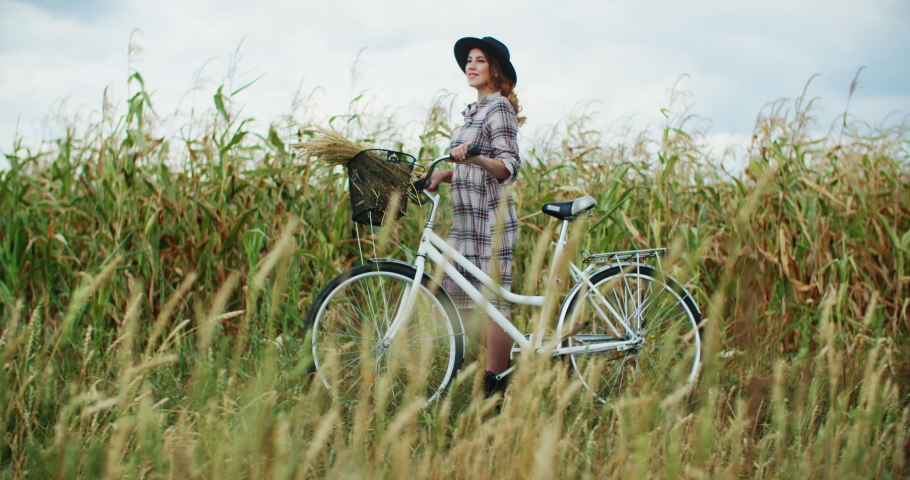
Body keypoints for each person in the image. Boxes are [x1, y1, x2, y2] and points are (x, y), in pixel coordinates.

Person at [425, 36, 524, 398]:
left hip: (489, 222)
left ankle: (494, 388)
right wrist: (443, 174)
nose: (471, 66)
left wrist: (477, 158)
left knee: (492, 306)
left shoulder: (499, 108)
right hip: (464, 223)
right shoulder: (472, 111)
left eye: (480, 60)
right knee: (451, 296)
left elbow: (507, 167)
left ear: (495, 69)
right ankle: (514, 356)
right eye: (469, 60)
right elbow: (467, 166)